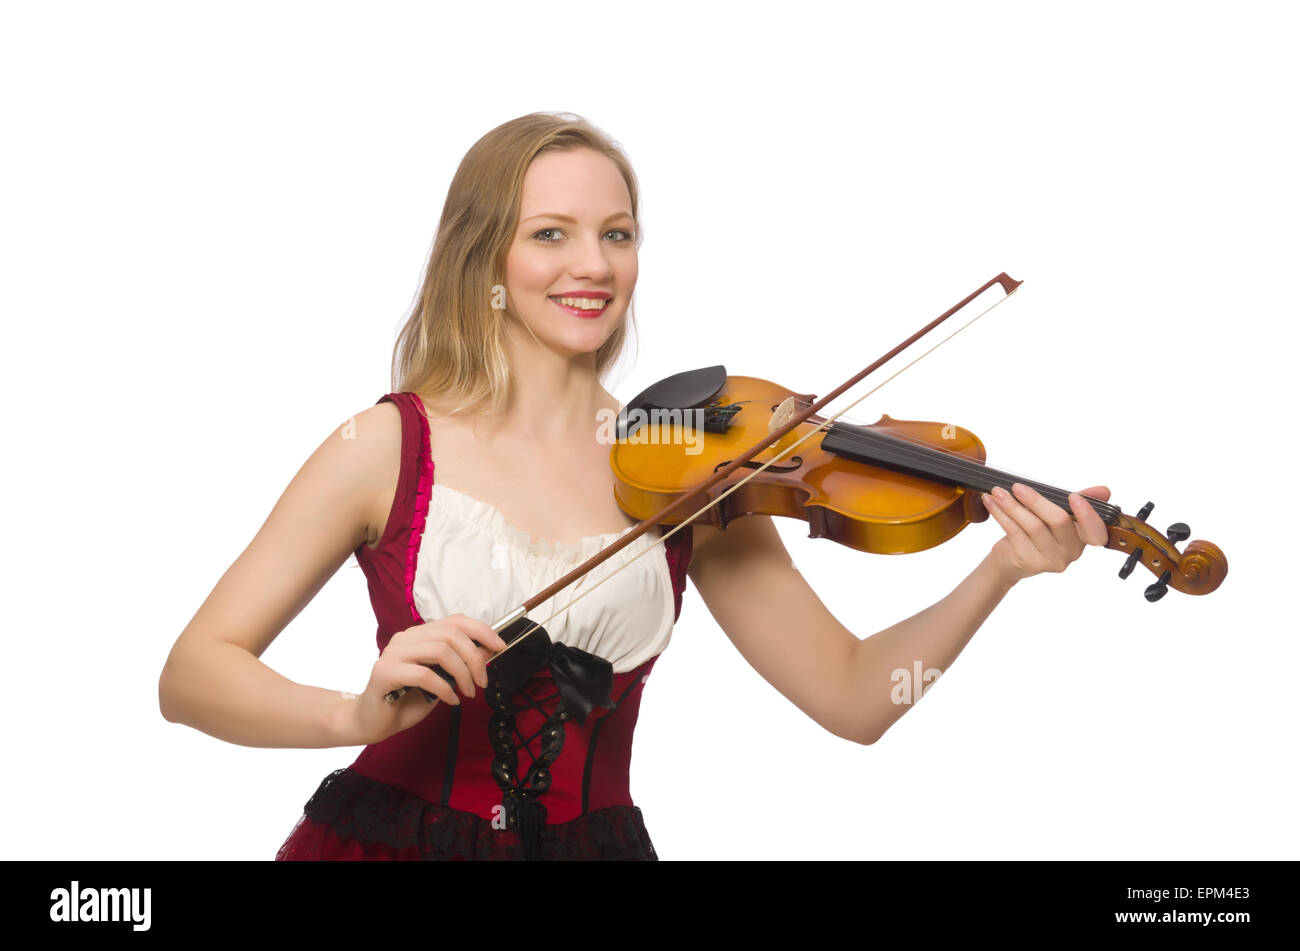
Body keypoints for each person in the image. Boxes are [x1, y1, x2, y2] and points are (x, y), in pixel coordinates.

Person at [157, 112, 1111, 861]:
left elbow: (856, 698)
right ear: (484, 258)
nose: (594, 264)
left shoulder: (691, 474)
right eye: (551, 233)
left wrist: (1000, 572)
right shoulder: (386, 443)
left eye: (617, 233)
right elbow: (193, 672)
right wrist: (347, 715)